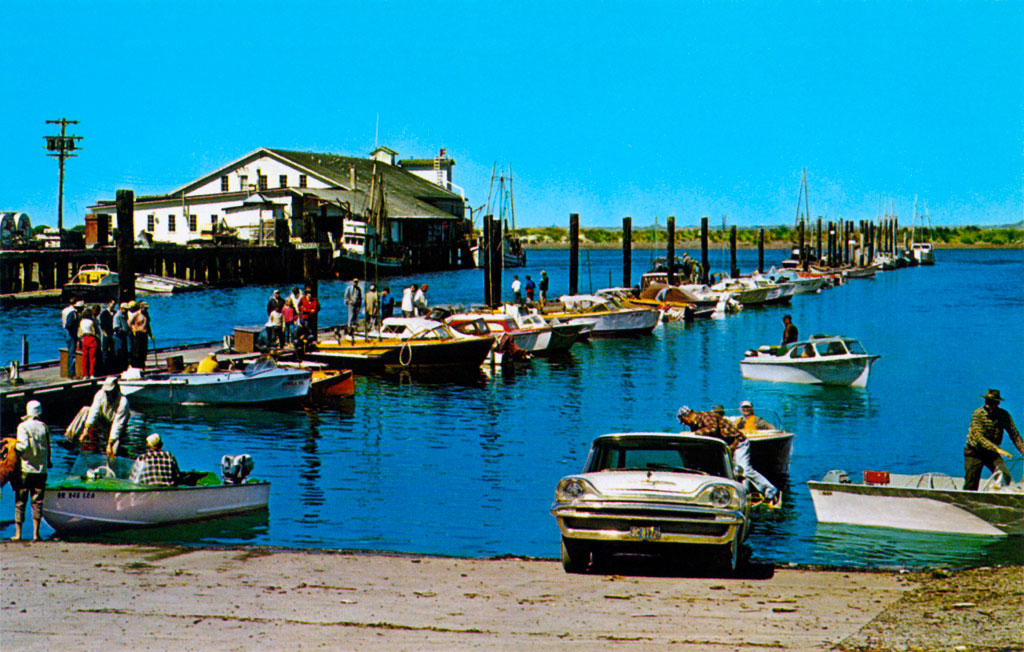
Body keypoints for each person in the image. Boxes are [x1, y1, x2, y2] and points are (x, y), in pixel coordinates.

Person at [677, 405, 780, 506]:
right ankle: (744, 496)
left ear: (687, 416)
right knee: (733, 473)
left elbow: (712, 428)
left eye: (683, 421)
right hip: (727, 447)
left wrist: (695, 434)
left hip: (739, 443)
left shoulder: (706, 416)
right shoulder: (694, 425)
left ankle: (771, 491)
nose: (684, 423)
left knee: (745, 470)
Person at [963, 389, 1022, 491]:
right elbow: (979, 437)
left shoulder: (1004, 415)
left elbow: (1014, 435)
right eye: (987, 402)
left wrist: (1022, 450)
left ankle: (1000, 497)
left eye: (991, 403)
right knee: (971, 482)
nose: (988, 405)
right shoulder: (978, 414)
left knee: (1005, 476)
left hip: (991, 453)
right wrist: (998, 450)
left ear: (997, 403)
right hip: (974, 452)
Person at [11, 401, 50, 541]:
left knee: (20, 501)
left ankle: (18, 533)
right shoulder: (44, 427)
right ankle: (36, 534)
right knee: (37, 501)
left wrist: (13, 445)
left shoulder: (23, 426)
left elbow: (23, 446)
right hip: (41, 469)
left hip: (25, 469)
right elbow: (48, 447)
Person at [81, 376, 131, 457]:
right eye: (107, 392)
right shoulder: (100, 394)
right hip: (103, 419)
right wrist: (86, 429)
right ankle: (71, 440)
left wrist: (110, 443)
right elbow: (94, 411)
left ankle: (112, 462)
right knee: (85, 410)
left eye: (110, 392)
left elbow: (117, 425)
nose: (108, 394)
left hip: (115, 424)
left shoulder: (123, 402)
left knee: (113, 450)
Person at [61, 297, 83, 378]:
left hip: (66, 331)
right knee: (72, 353)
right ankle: (71, 373)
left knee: (70, 352)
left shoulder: (64, 310)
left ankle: (70, 371)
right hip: (71, 333)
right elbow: (69, 324)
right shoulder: (73, 313)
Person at [78, 305, 100, 377]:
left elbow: (80, 332)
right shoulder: (91, 322)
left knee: (85, 358)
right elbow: (94, 331)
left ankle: (85, 374)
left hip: (85, 338)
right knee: (92, 358)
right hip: (91, 338)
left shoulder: (81, 322)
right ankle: (92, 373)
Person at [128, 301, 152, 369]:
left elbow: (148, 325)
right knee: (137, 350)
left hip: (144, 334)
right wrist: (133, 329)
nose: (146, 309)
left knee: (144, 350)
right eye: (145, 308)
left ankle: (142, 365)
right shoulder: (136, 314)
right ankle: (136, 365)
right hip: (138, 333)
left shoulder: (146, 314)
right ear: (141, 308)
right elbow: (129, 322)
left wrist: (150, 334)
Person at [112, 302, 131, 372]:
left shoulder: (125, 315)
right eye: (125, 309)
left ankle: (124, 367)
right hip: (118, 337)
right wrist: (123, 331)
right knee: (119, 352)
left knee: (124, 352)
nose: (127, 311)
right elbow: (116, 328)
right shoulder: (117, 316)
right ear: (122, 309)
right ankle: (118, 368)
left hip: (124, 336)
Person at [99, 299, 117, 373]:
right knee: (105, 351)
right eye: (112, 304)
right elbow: (102, 324)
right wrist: (104, 332)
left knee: (113, 350)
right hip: (106, 334)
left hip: (113, 334)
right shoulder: (104, 313)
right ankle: (105, 367)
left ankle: (112, 367)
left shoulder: (115, 313)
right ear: (109, 303)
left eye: (114, 304)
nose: (113, 305)